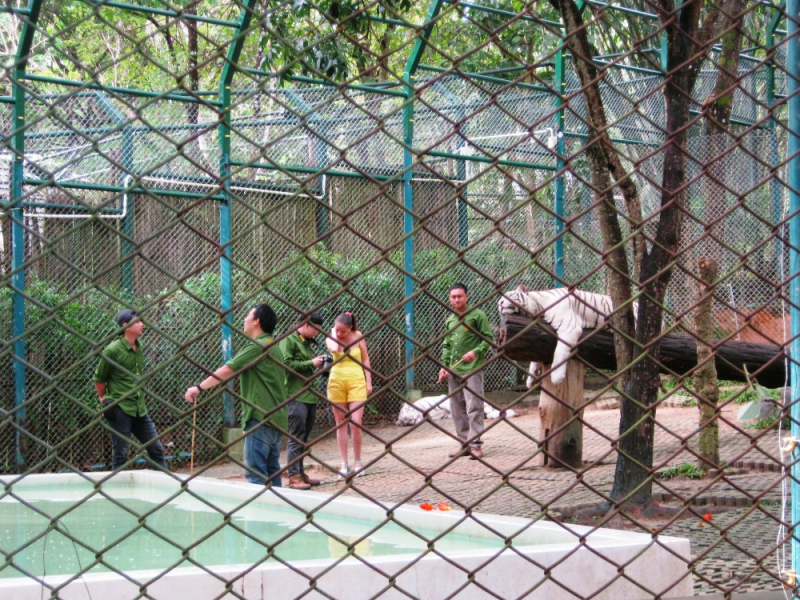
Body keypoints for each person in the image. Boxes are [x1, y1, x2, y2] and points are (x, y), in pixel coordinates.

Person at [185, 304, 288, 486]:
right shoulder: (274, 346)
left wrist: (198, 387)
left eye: (248, 315)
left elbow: (227, 370)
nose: (244, 319)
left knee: (256, 475)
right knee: (272, 472)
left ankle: (258, 512)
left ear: (257, 321)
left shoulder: (258, 346)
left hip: (260, 417)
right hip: (275, 417)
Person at [93, 309, 168, 471]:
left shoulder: (139, 347)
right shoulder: (112, 350)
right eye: (138, 321)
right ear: (126, 326)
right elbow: (99, 378)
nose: (142, 325)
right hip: (120, 407)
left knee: (156, 449)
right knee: (121, 453)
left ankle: (169, 486)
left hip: (139, 408)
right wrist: (103, 398)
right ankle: (116, 492)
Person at [437, 283, 493, 460]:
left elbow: (488, 339)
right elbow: (447, 345)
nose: (456, 299)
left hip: (472, 369)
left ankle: (475, 445)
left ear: (467, 297)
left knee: (474, 406)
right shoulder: (450, 319)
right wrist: (444, 366)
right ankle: (464, 444)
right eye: (453, 297)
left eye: (459, 296)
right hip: (454, 370)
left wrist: (475, 352)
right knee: (456, 408)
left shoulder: (478, 315)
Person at [281, 312, 327, 490]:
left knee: (304, 437)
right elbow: (286, 364)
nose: (316, 333)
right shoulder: (289, 340)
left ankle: (300, 472)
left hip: (309, 395)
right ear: (306, 325)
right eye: (315, 329)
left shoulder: (306, 342)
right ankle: (293, 476)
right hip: (295, 395)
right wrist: (310, 363)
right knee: (296, 437)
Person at [326, 312, 372, 479]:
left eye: (343, 331)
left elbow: (365, 359)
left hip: (356, 381)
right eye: (337, 330)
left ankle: (358, 462)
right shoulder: (331, 337)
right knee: (341, 423)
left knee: (355, 423)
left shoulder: (358, 335)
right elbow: (335, 348)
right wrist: (333, 332)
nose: (340, 334)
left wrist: (368, 381)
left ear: (351, 328)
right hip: (336, 382)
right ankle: (344, 464)